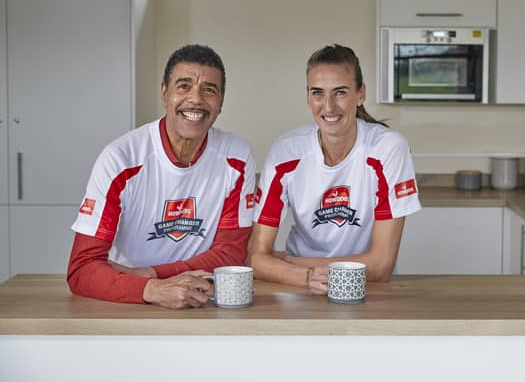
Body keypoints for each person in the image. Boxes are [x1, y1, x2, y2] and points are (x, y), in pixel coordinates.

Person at [67, 44, 255, 308]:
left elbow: (230, 253)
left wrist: (153, 275)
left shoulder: (237, 156)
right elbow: (81, 271)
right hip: (128, 300)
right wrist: (151, 289)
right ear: (165, 94)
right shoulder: (121, 158)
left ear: (221, 102)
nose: (196, 99)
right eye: (184, 86)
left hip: (202, 300)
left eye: (209, 90)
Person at [247, 44, 421, 293]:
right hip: (299, 287)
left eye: (340, 92)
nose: (328, 107)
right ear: (308, 96)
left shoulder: (388, 148)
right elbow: (255, 257)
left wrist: (294, 264)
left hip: (365, 288)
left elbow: (381, 266)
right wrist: (304, 277)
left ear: (361, 94)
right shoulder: (285, 152)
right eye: (318, 93)